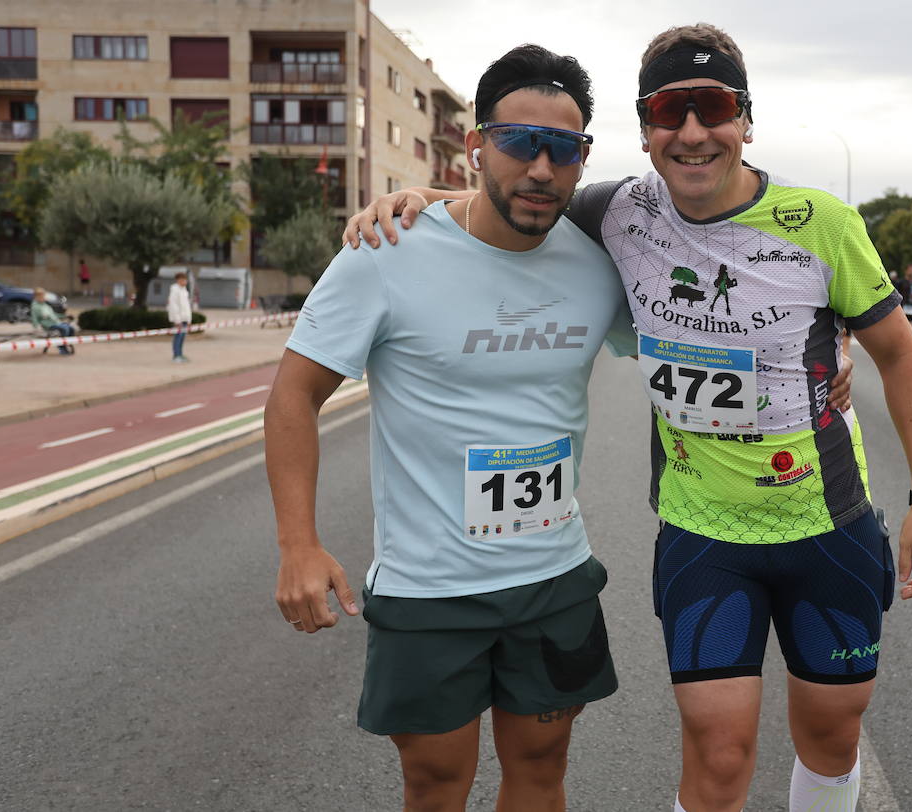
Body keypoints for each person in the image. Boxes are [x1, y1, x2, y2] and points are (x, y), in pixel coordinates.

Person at [344, 24, 912, 812]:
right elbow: (519, 197)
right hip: (703, 532)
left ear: (745, 120)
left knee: (833, 731)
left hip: (825, 521)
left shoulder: (822, 224)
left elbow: (901, 356)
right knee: (720, 748)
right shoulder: (619, 213)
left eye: (713, 108)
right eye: (671, 111)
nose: (693, 132)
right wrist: (419, 200)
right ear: (645, 128)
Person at [266, 45, 638, 812]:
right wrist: (298, 546)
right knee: (435, 783)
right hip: (429, 589)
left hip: (553, 575)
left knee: (540, 770)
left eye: (562, 149)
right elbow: (294, 395)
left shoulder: (600, 264)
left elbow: (699, 323)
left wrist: (822, 350)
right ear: (476, 148)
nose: (540, 167)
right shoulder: (386, 253)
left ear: (581, 161)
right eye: (517, 142)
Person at [30, 287, 74, 355]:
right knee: (64, 329)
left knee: (71, 329)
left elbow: (54, 315)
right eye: (41, 296)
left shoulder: (45, 305)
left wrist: (65, 316)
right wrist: (36, 326)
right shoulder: (35, 307)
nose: (43, 297)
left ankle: (66, 343)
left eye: (43, 296)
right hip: (48, 325)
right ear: (36, 297)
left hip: (56, 323)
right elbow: (34, 318)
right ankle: (62, 347)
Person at [167, 272, 192, 364]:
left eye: (186, 280)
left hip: (185, 318)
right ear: (178, 280)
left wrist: (189, 319)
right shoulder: (175, 290)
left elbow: (187, 306)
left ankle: (180, 354)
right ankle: (176, 355)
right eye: (183, 280)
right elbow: (174, 306)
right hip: (179, 319)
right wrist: (177, 320)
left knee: (182, 337)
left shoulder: (184, 291)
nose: (185, 281)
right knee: (178, 336)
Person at [894, 263, 912, 341]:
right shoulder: (900, 282)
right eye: (910, 270)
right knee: (903, 330)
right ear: (905, 271)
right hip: (904, 307)